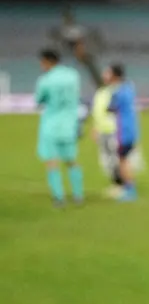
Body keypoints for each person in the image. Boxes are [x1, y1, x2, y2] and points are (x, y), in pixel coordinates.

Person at [34, 49, 85, 206]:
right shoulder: (73, 75)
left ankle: (59, 197)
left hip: (51, 125)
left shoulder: (46, 79)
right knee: (71, 160)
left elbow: (39, 100)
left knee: (51, 161)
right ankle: (78, 196)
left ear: (47, 61)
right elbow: (77, 96)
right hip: (70, 123)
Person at [107, 63, 140, 201]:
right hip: (132, 129)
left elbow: (110, 108)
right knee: (124, 159)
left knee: (122, 160)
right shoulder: (129, 88)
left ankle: (129, 190)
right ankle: (129, 187)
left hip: (123, 131)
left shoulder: (118, 92)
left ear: (114, 75)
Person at [91, 66, 124, 198]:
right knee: (107, 160)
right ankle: (116, 184)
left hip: (113, 130)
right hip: (102, 130)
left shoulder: (116, 91)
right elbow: (97, 112)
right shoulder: (101, 92)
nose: (105, 75)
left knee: (115, 159)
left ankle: (121, 185)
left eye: (108, 73)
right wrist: (95, 128)